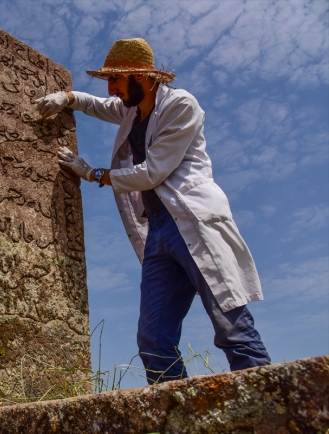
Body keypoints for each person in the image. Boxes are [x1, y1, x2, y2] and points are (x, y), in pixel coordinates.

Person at [36, 38, 270, 384]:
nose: (112, 89)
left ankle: (272, 407)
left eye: (116, 79)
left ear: (141, 77)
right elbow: (96, 104)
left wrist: (92, 173)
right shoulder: (132, 108)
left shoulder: (180, 105)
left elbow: (153, 172)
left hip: (191, 220)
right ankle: (176, 418)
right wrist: (67, 98)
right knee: (153, 340)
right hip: (158, 231)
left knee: (230, 325)